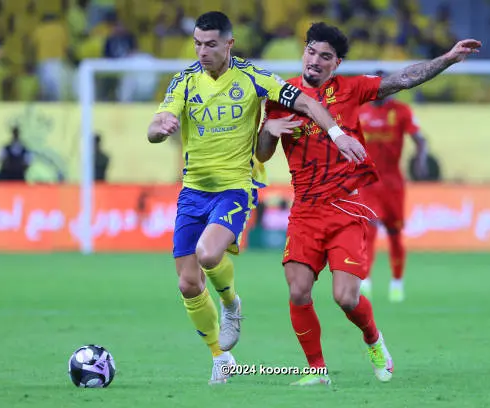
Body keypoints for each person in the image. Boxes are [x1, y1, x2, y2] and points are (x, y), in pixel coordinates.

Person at [147, 12, 366, 385]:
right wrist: (159, 128)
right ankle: (221, 356)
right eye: (198, 43)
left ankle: (231, 304)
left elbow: (309, 104)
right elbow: (156, 126)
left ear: (229, 44)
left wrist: (337, 135)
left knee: (208, 253)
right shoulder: (183, 81)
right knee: (187, 283)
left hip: (235, 186)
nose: (203, 51)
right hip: (193, 190)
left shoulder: (254, 77)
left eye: (211, 44)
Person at [257, 22, 481, 386]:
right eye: (311, 52)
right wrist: (268, 132)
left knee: (345, 297)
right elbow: (262, 155)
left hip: (346, 207)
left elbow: (403, 79)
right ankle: (316, 371)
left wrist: (448, 59)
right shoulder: (281, 96)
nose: (315, 60)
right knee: (298, 290)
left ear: (336, 63)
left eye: (325, 56)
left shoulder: (351, 89)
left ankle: (374, 340)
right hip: (305, 211)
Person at [357, 69, 428, 303]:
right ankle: (365, 280)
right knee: (369, 228)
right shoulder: (360, 111)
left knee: (395, 234)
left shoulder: (401, 111)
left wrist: (420, 162)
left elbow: (420, 139)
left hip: (393, 183)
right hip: (368, 181)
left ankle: (397, 282)